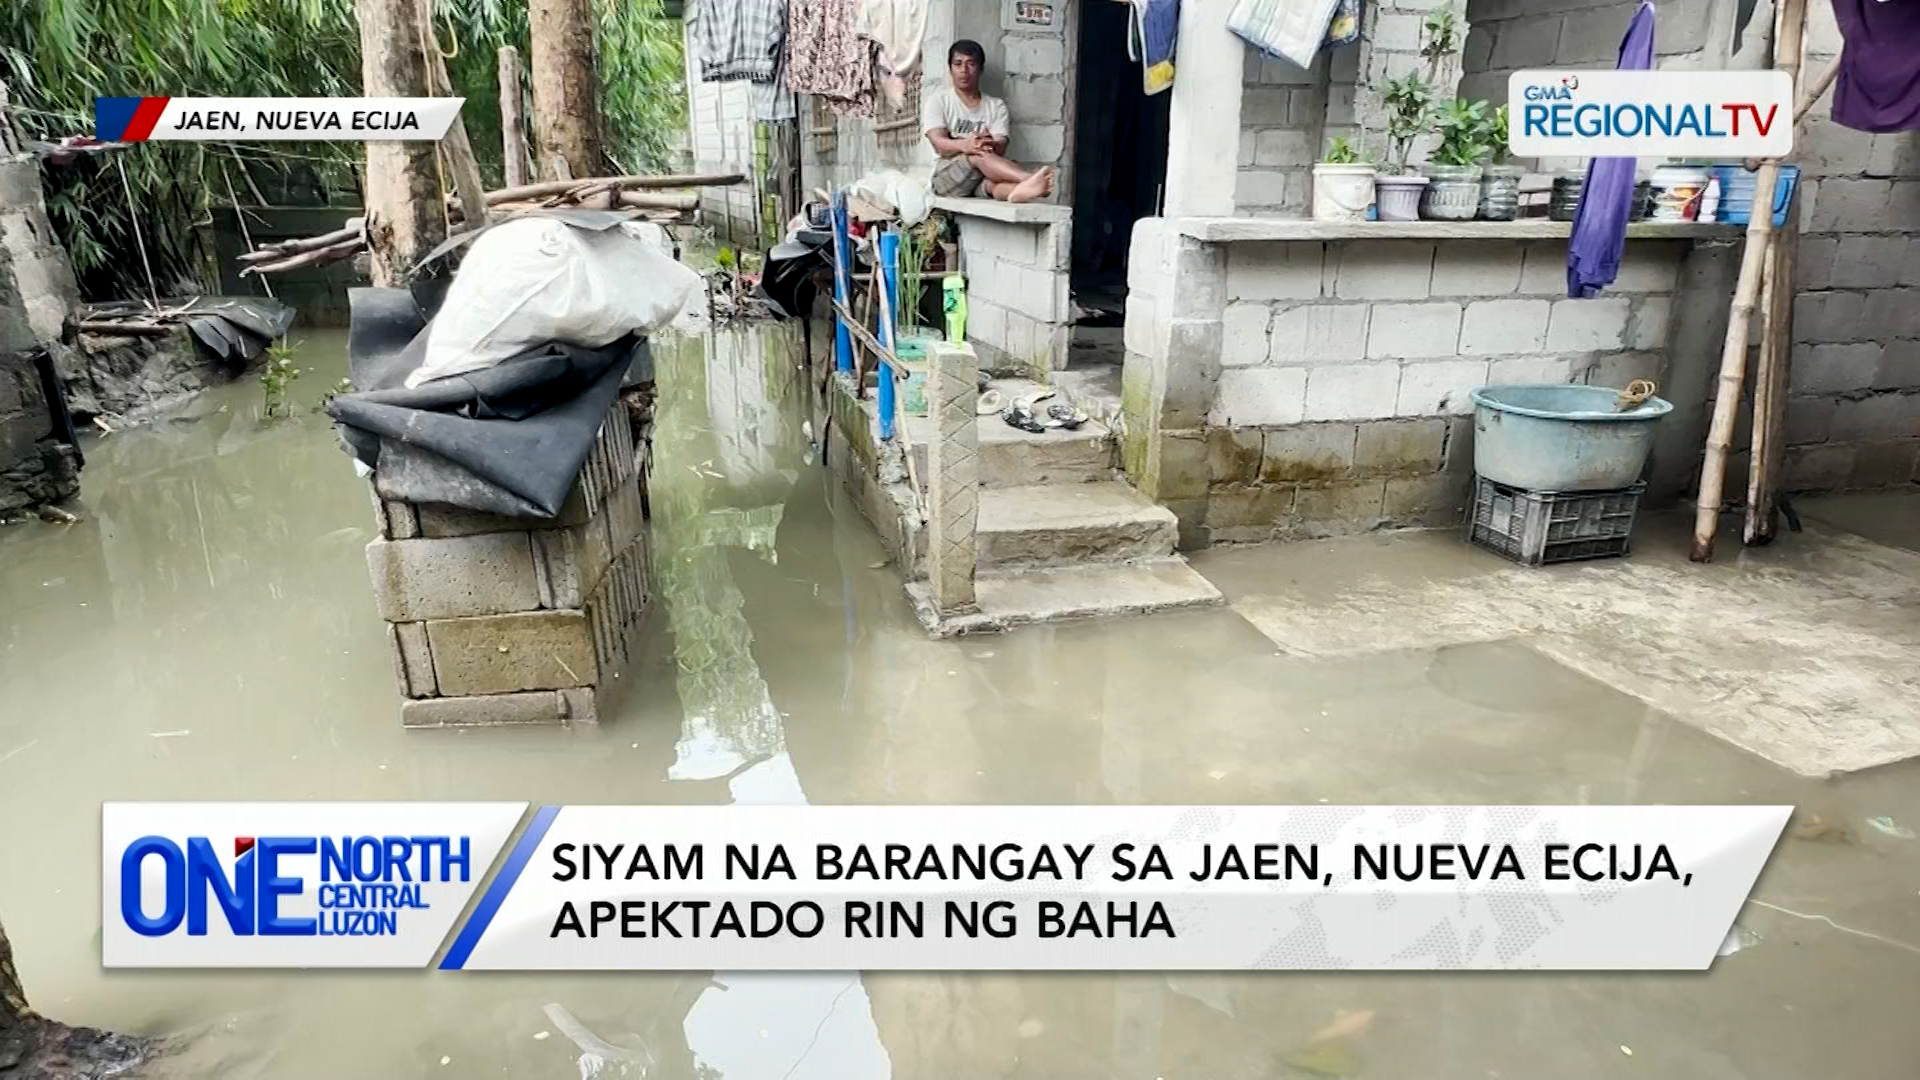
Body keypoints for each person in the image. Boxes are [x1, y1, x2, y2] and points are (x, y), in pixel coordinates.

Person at [921, 40, 1055, 203]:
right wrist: (967, 146)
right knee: (978, 154)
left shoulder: (995, 105)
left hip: (981, 177)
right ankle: (1029, 179)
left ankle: (1020, 191)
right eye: (958, 64)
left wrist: (987, 142)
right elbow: (939, 145)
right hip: (946, 179)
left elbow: (1001, 145)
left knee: (993, 185)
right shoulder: (939, 101)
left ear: (980, 69)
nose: (964, 70)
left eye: (971, 64)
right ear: (950, 68)